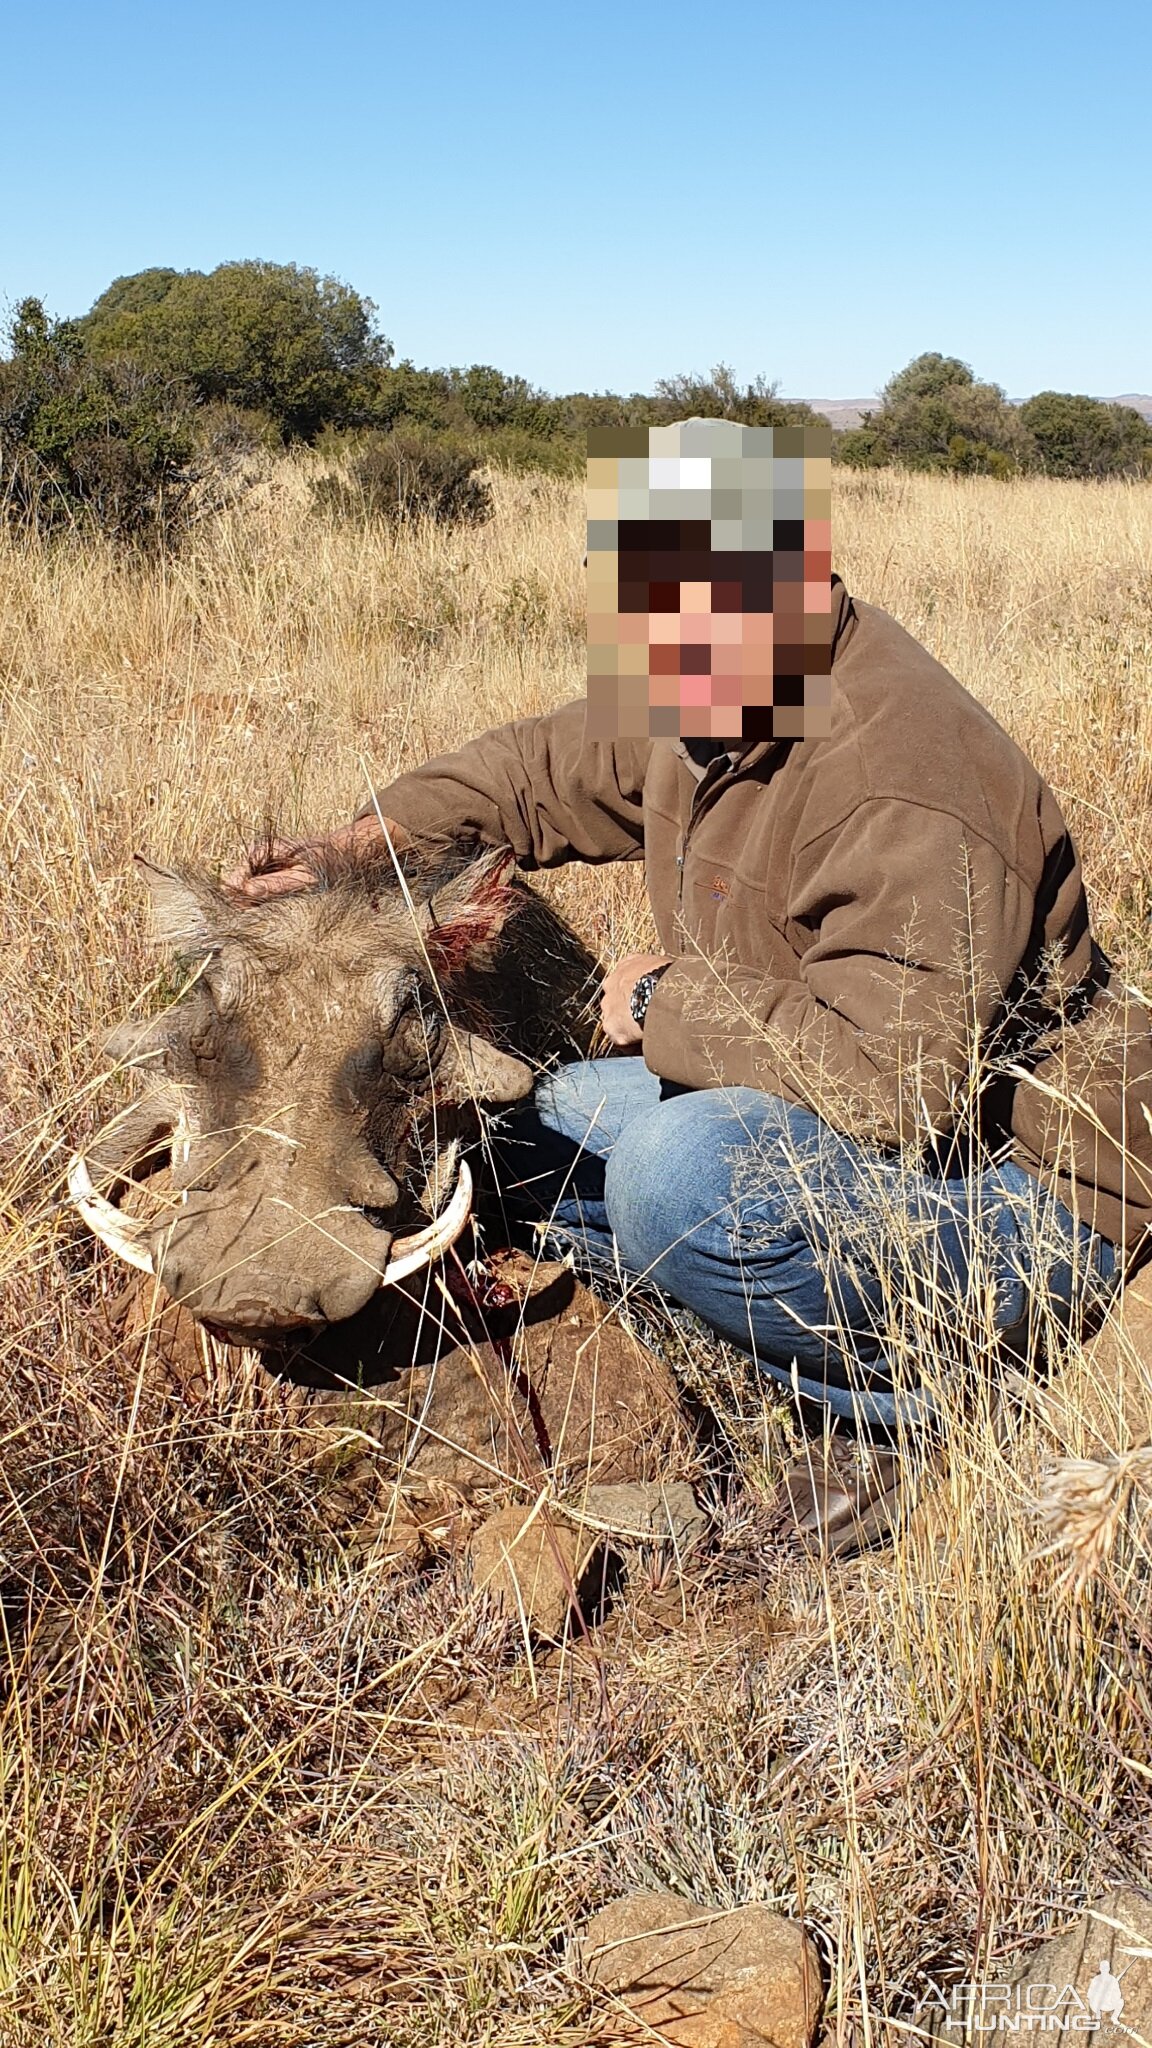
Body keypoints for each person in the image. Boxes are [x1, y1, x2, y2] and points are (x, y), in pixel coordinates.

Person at [234, 448, 1152, 1551]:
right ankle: (746, 1288)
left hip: (1024, 1187)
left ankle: (909, 1403)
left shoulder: (902, 775)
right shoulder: (724, 680)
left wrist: (667, 997)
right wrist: (360, 846)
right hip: (840, 1126)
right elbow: (537, 771)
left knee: (678, 1175)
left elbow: (892, 1088)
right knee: (520, 1122)